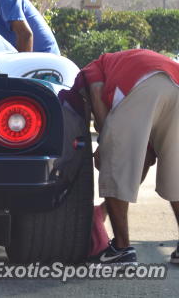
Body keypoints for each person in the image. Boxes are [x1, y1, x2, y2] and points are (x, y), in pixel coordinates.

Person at [71, 49, 179, 265]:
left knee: (113, 161)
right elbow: (144, 159)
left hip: (141, 84)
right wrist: (104, 210)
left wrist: (105, 144)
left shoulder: (91, 69)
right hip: (175, 83)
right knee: (176, 173)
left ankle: (121, 250)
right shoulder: (122, 62)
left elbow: (99, 108)